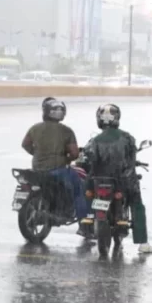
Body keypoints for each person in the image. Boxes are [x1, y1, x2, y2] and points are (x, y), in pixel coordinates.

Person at [85, 104, 152, 254]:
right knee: (137, 204)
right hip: (122, 181)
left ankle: (86, 223)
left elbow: (90, 160)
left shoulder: (95, 140)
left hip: (99, 181)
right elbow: (131, 161)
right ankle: (143, 242)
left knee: (87, 194)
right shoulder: (127, 138)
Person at [21, 97, 89, 235]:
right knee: (79, 188)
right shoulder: (66, 131)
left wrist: (36, 154)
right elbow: (75, 153)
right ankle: (84, 225)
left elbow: (25, 144)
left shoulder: (35, 128)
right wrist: (67, 159)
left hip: (37, 170)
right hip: (58, 170)